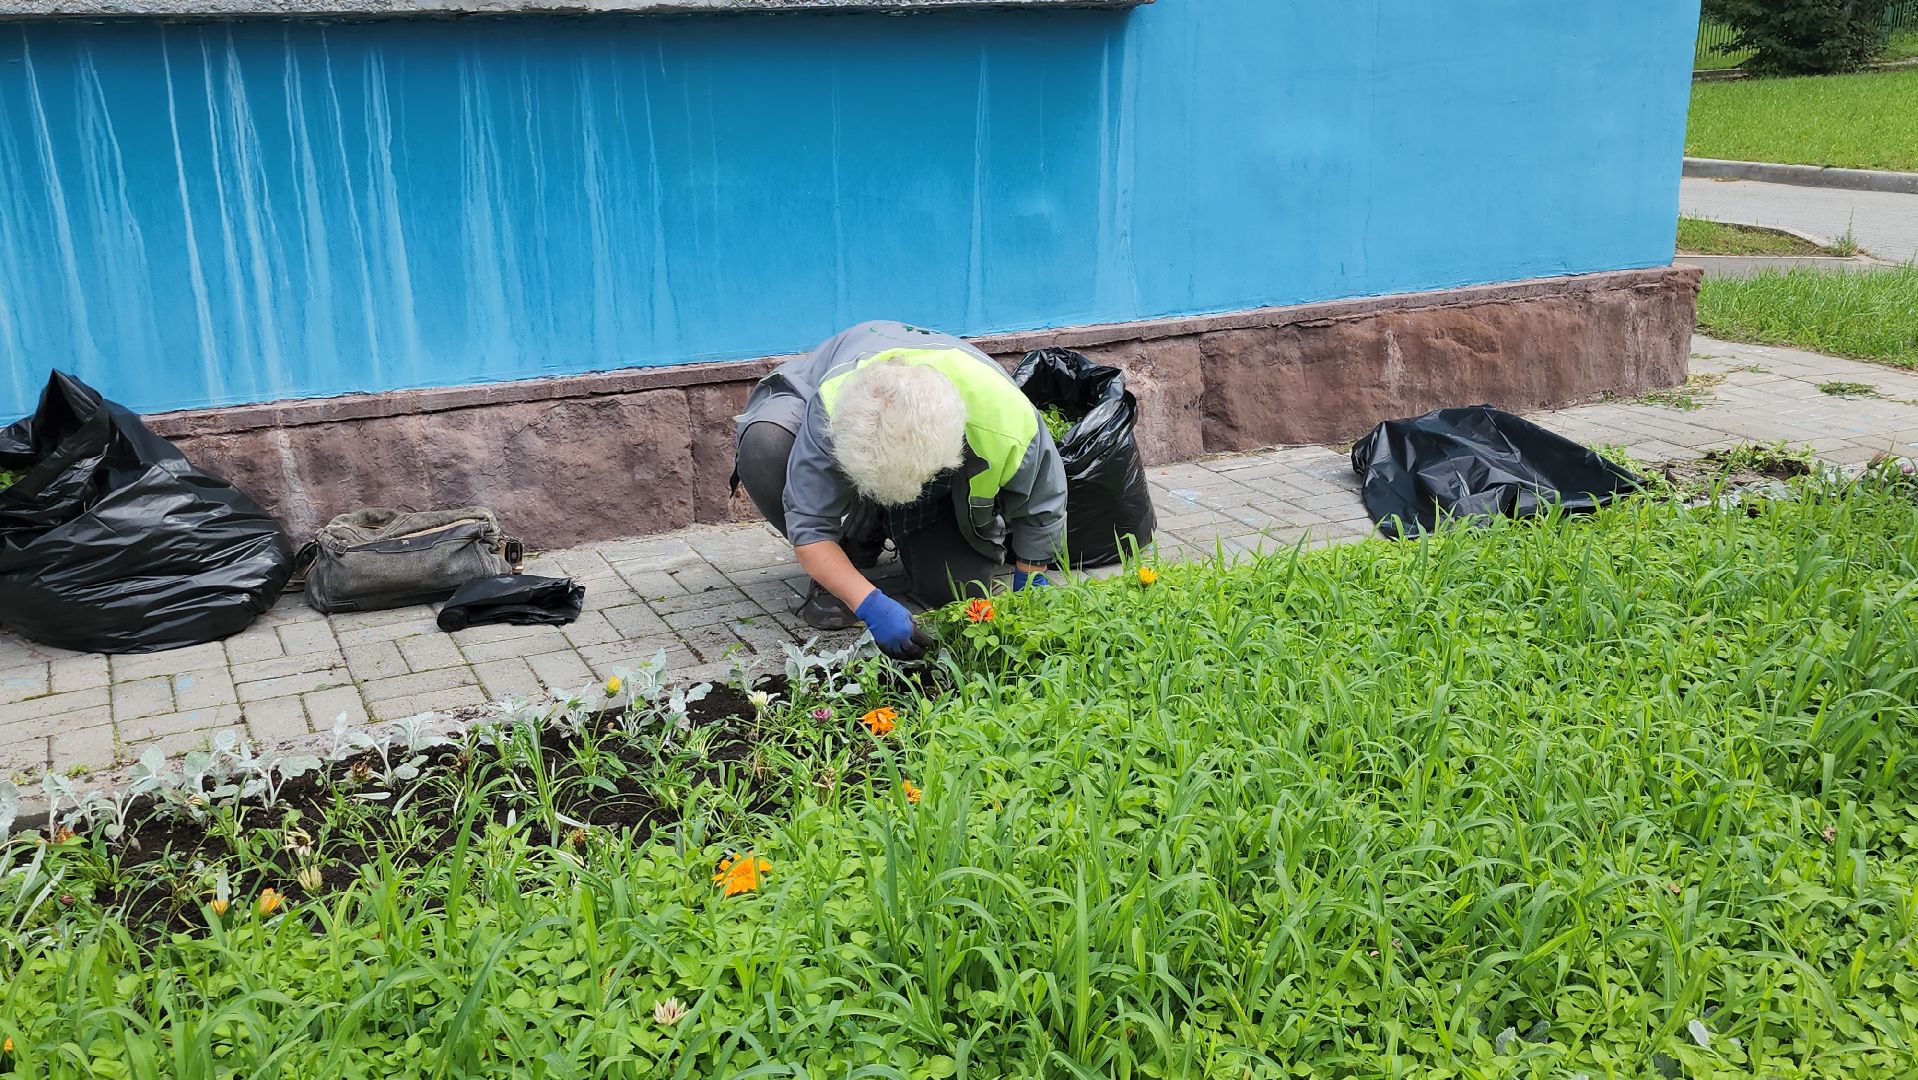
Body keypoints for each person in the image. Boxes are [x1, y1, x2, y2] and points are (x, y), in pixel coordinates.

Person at [732, 321, 1067, 660]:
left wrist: (1031, 581)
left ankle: (881, 523)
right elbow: (809, 526)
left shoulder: (1007, 418)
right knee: (766, 445)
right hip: (815, 411)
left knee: (957, 589)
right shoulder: (834, 407)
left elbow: (1042, 504)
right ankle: (844, 557)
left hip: (935, 456)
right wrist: (868, 603)